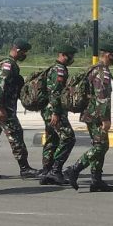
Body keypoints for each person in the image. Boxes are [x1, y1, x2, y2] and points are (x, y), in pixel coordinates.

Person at [0, 38, 39, 180]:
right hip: (3, 108)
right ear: (17, 50)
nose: (25, 55)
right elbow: (1, 86)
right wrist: (0, 108)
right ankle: (24, 168)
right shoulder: (8, 65)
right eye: (24, 52)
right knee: (16, 134)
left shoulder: (6, 62)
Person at [65, 45, 113, 192]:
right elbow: (101, 97)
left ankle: (96, 180)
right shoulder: (102, 72)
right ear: (107, 54)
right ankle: (74, 170)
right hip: (96, 115)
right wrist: (105, 119)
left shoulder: (95, 69)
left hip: (91, 113)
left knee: (99, 146)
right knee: (101, 146)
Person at [39, 45, 77, 186]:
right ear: (62, 55)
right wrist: (56, 112)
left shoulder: (54, 68)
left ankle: (46, 171)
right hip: (54, 111)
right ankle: (55, 170)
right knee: (68, 137)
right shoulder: (59, 70)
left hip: (48, 110)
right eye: (70, 55)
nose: (72, 58)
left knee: (52, 139)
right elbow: (55, 92)